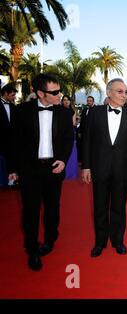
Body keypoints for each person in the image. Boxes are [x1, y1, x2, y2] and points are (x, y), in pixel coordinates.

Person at [8, 73, 73, 271]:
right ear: (40, 93)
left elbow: (67, 139)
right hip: (30, 169)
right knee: (31, 210)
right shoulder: (21, 111)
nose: (59, 94)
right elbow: (14, 142)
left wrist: (62, 159)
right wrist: (13, 169)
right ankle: (32, 249)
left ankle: (51, 239)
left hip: (54, 169)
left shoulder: (64, 113)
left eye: (59, 90)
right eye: (54, 92)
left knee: (53, 208)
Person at [82, 78, 127, 258]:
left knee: (119, 206)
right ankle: (100, 241)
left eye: (125, 92)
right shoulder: (95, 113)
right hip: (99, 167)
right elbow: (87, 141)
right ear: (109, 93)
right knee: (99, 206)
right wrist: (86, 166)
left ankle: (118, 240)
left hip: (122, 169)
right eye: (120, 91)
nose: (124, 95)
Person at [0, 83, 18, 187]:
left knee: (11, 159)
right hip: (1, 139)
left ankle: (11, 180)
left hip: (11, 140)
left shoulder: (13, 106)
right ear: (6, 93)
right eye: (12, 95)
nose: (14, 97)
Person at [62, 95, 79, 180]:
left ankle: (70, 172)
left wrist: (77, 121)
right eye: (64, 100)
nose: (66, 102)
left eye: (67, 100)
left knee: (71, 151)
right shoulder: (59, 110)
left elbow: (73, 124)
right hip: (61, 133)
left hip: (70, 132)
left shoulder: (72, 111)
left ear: (70, 101)